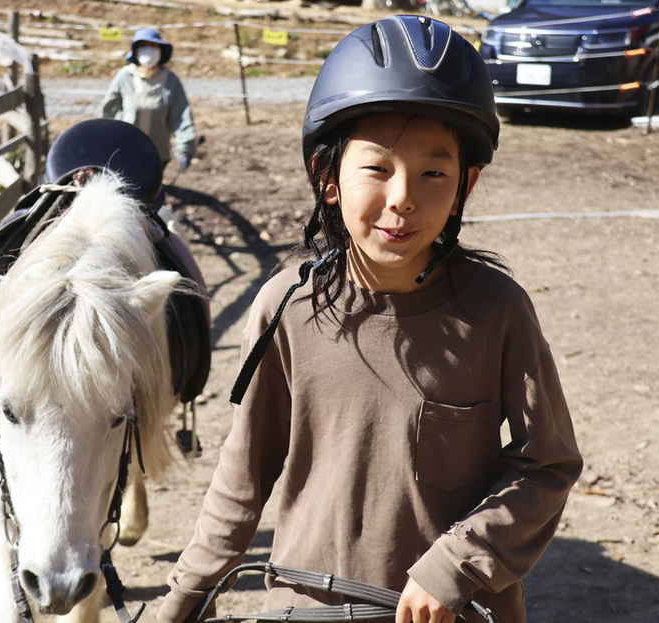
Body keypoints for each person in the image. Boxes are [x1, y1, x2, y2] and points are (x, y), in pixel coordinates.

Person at [157, 14, 582, 623]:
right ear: (326, 178)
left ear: (466, 185)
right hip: (305, 608)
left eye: (433, 172)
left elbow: (549, 464)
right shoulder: (286, 306)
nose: (403, 196)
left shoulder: (497, 311)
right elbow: (242, 477)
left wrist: (457, 564)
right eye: (377, 168)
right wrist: (181, 602)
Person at [101, 28, 196, 176]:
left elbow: (181, 115)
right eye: (144, 45)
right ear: (136, 50)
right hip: (125, 151)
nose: (148, 50)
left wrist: (185, 148)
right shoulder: (125, 77)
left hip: (157, 153)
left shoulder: (171, 80)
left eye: (153, 46)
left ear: (160, 50)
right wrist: (107, 142)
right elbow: (108, 113)